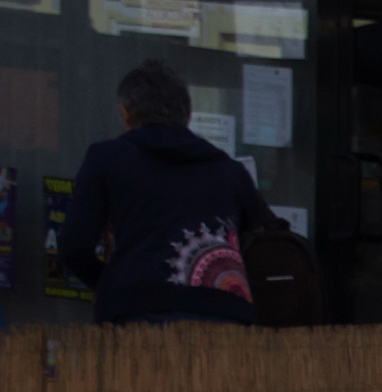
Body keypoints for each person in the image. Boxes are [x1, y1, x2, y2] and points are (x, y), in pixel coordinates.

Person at [58, 59, 275, 325]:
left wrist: (108, 285)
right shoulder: (231, 171)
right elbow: (268, 241)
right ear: (188, 117)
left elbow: (73, 245)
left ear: (125, 114)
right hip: (227, 317)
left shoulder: (106, 158)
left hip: (138, 313)